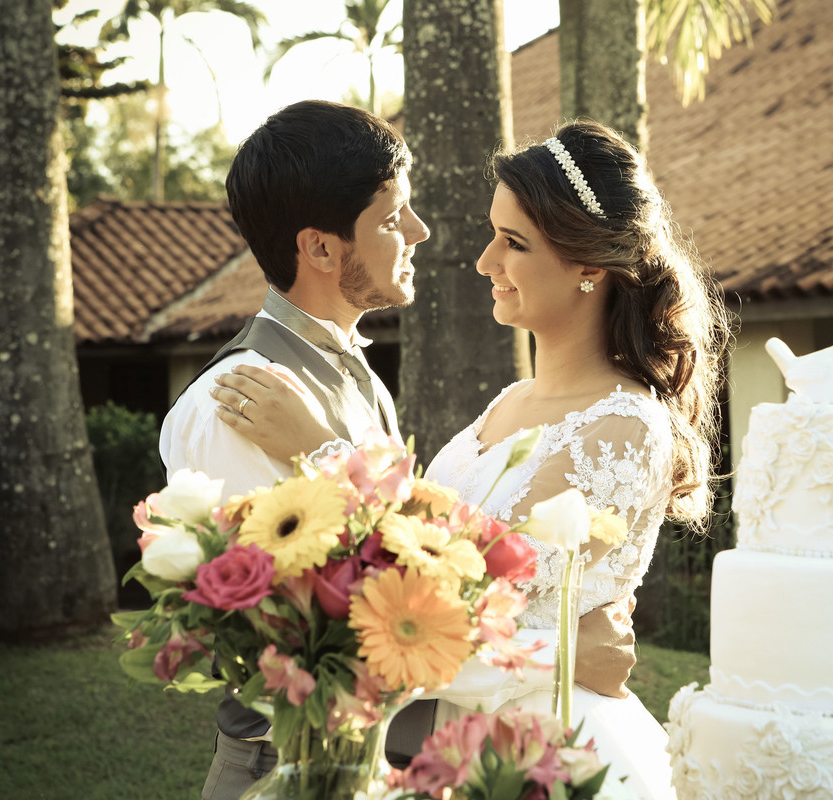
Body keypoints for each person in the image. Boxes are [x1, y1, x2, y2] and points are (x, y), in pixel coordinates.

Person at [215, 120, 729, 799]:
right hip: (446, 742)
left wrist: (319, 450)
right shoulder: (508, 404)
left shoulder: (622, 427)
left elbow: (447, 612)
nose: (485, 261)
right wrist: (568, 656)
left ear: (588, 266)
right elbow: (423, 559)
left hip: (539, 753)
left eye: (512, 243)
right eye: (493, 234)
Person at [159, 99, 434, 800]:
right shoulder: (238, 400)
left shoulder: (354, 367)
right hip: (282, 766)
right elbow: (288, 623)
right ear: (319, 248)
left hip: (359, 752)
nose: (421, 232)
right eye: (393, 218)